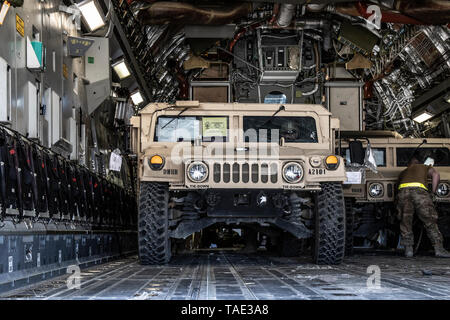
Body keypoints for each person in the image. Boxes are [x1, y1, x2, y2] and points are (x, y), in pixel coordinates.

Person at [396, 154, 450, 258]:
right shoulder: (424, 167)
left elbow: (398, 188)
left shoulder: (403, 172)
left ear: (409, 164)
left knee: (405, 222)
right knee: (430, 221)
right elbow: (436, 175)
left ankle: (408, 251)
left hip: (403, 194)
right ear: (418, 162)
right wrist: (433, 193)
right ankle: (439, 250)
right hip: (419, 193)